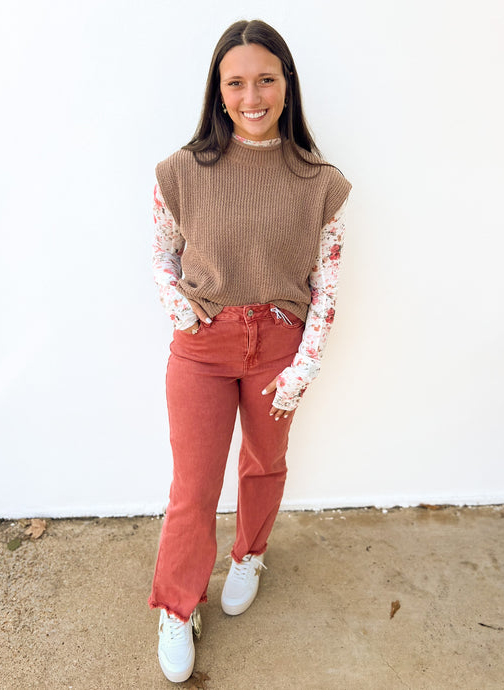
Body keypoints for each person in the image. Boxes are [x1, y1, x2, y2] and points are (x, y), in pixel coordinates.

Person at [149, 19, 352, 683]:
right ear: (218, 91)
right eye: (234, 82)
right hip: (202, 348)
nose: (251, 94)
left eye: (265, 78)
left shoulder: (319, 180)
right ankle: (178, 606)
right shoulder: (181, 171)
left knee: (264, 462)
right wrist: (186, 314)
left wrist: (307, 359)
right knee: (193, 486)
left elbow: (326, 278)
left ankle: (248, 554)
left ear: (287, 86)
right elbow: (161, 256)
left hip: (279, 345)